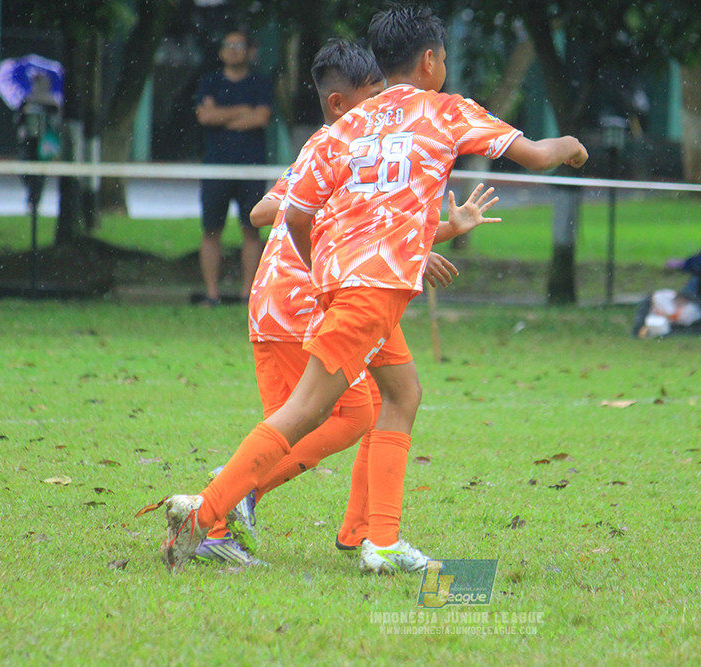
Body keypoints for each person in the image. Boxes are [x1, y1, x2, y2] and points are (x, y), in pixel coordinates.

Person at [160, 5, 587, 575]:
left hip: (343, 286)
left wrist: (323, 272)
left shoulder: (343, 129)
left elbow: (292, 214)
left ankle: (379, 541)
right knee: (306, 412)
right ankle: (206, 513)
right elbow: (535, 154)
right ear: (431, 60)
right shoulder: (447, 111)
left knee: (401, 395)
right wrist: (572, 147)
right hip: (370, 293)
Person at [191, 38, 499, 567]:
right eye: (375, 95)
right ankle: (225, 501)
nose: (386, 107)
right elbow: (270, 213)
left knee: (380, 403)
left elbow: (381, 225)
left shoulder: (360, 144)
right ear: (341, 104)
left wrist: (440, 231)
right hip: (302, 298)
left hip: (327, 292)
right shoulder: (337, 145)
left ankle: (365, 534)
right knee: (316, 415)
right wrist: (332, 219)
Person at [194, 29, 273, 306]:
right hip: (216, 167)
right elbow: (204, 116)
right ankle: (212, 293)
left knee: (251, 229)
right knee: (211, 230)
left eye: (240, 45)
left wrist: (222, 116)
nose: (234, 50)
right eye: (229, 45)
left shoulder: (260, 83)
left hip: (251, 167)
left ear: (249, 51)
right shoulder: (210, 81)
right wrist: (241, 111)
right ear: (220, 51)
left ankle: (248, 294)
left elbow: (261, 118)